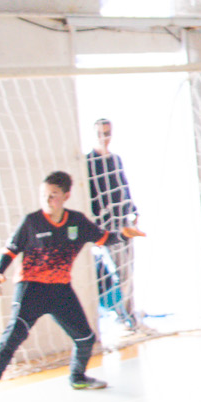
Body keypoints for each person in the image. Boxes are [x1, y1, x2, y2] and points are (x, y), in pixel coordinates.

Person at [0, 170, 144, 402]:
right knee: (12, 339)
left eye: (53, 195)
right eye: (44, 195)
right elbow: (10, 251)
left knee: (86, 338)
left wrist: (124, 234)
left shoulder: (77, 222)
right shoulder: (31, 222)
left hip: (59, 290)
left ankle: (77, 377)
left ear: (66, 196)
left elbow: (103, 238)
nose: (47, 200)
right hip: (31, 288)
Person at [83, 119, 141, 332]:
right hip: (105, 226)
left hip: (122, 221)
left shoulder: (116, 159)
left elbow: (123, 186)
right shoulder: (88, 161)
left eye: (107, 133)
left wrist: (133, 210)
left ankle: (129, 313)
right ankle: (121, 315)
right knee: (116, 271)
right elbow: (90, 194)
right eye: (100, 133)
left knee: (128, 269)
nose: (104, 137)